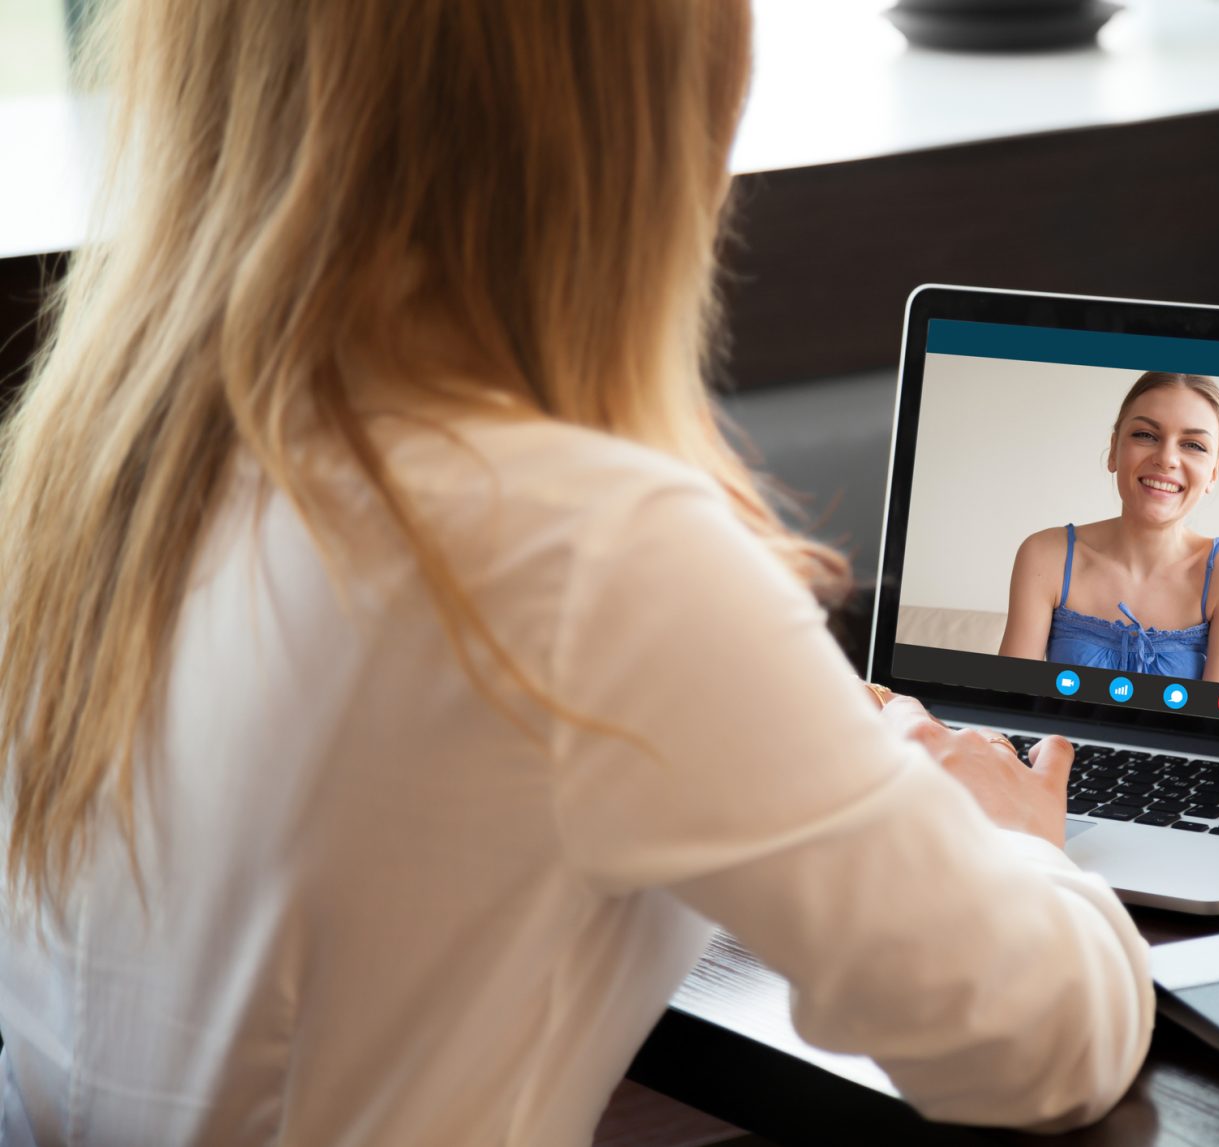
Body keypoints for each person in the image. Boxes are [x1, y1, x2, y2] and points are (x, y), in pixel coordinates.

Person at [0, 2, 1153, 1143]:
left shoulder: (92, 473)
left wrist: (807, 769)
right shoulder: (586, 551)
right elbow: (1034, 1043)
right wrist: (1002, 844)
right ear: (638, 117)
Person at [998, 372, 1219, 685]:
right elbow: (1010, 702)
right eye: (1145, 435)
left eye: (1193, 445)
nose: (1166, 459)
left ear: (1214, 472)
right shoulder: (1046, 555)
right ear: (1114, 450)